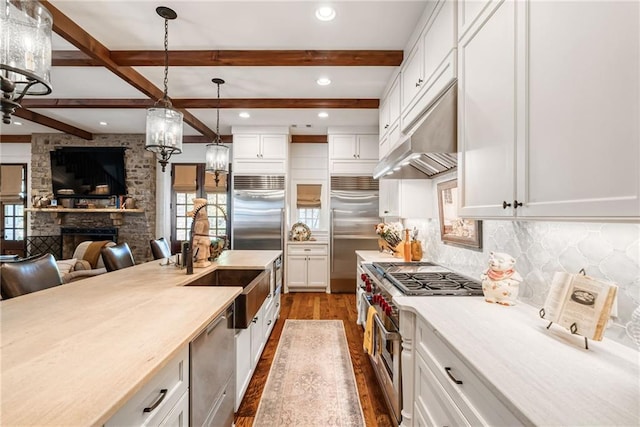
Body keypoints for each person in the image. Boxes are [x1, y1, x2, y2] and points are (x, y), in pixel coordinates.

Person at [188, 198, 211, 267]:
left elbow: (197, 234)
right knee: (204, 253)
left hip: (200, 242)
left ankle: (201, 261)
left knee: (200, 255)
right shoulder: (206, 221)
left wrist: (193, 242)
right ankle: (204, 260)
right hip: (206, 240)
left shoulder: (199, 222)